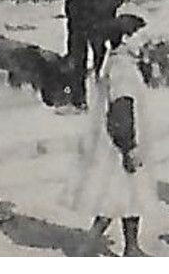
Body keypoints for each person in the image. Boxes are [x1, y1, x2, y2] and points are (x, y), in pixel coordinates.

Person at [67, 14, 157, 257]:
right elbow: (121, 109)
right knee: (114, 196)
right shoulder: (123, 70)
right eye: (140, 37)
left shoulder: (114, 63)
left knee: (131, 195)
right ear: (126, 39)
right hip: (119, 145)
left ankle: (132, 246)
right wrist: (129, 146)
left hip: (118, 142)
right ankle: (87, 246)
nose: (145, 42)